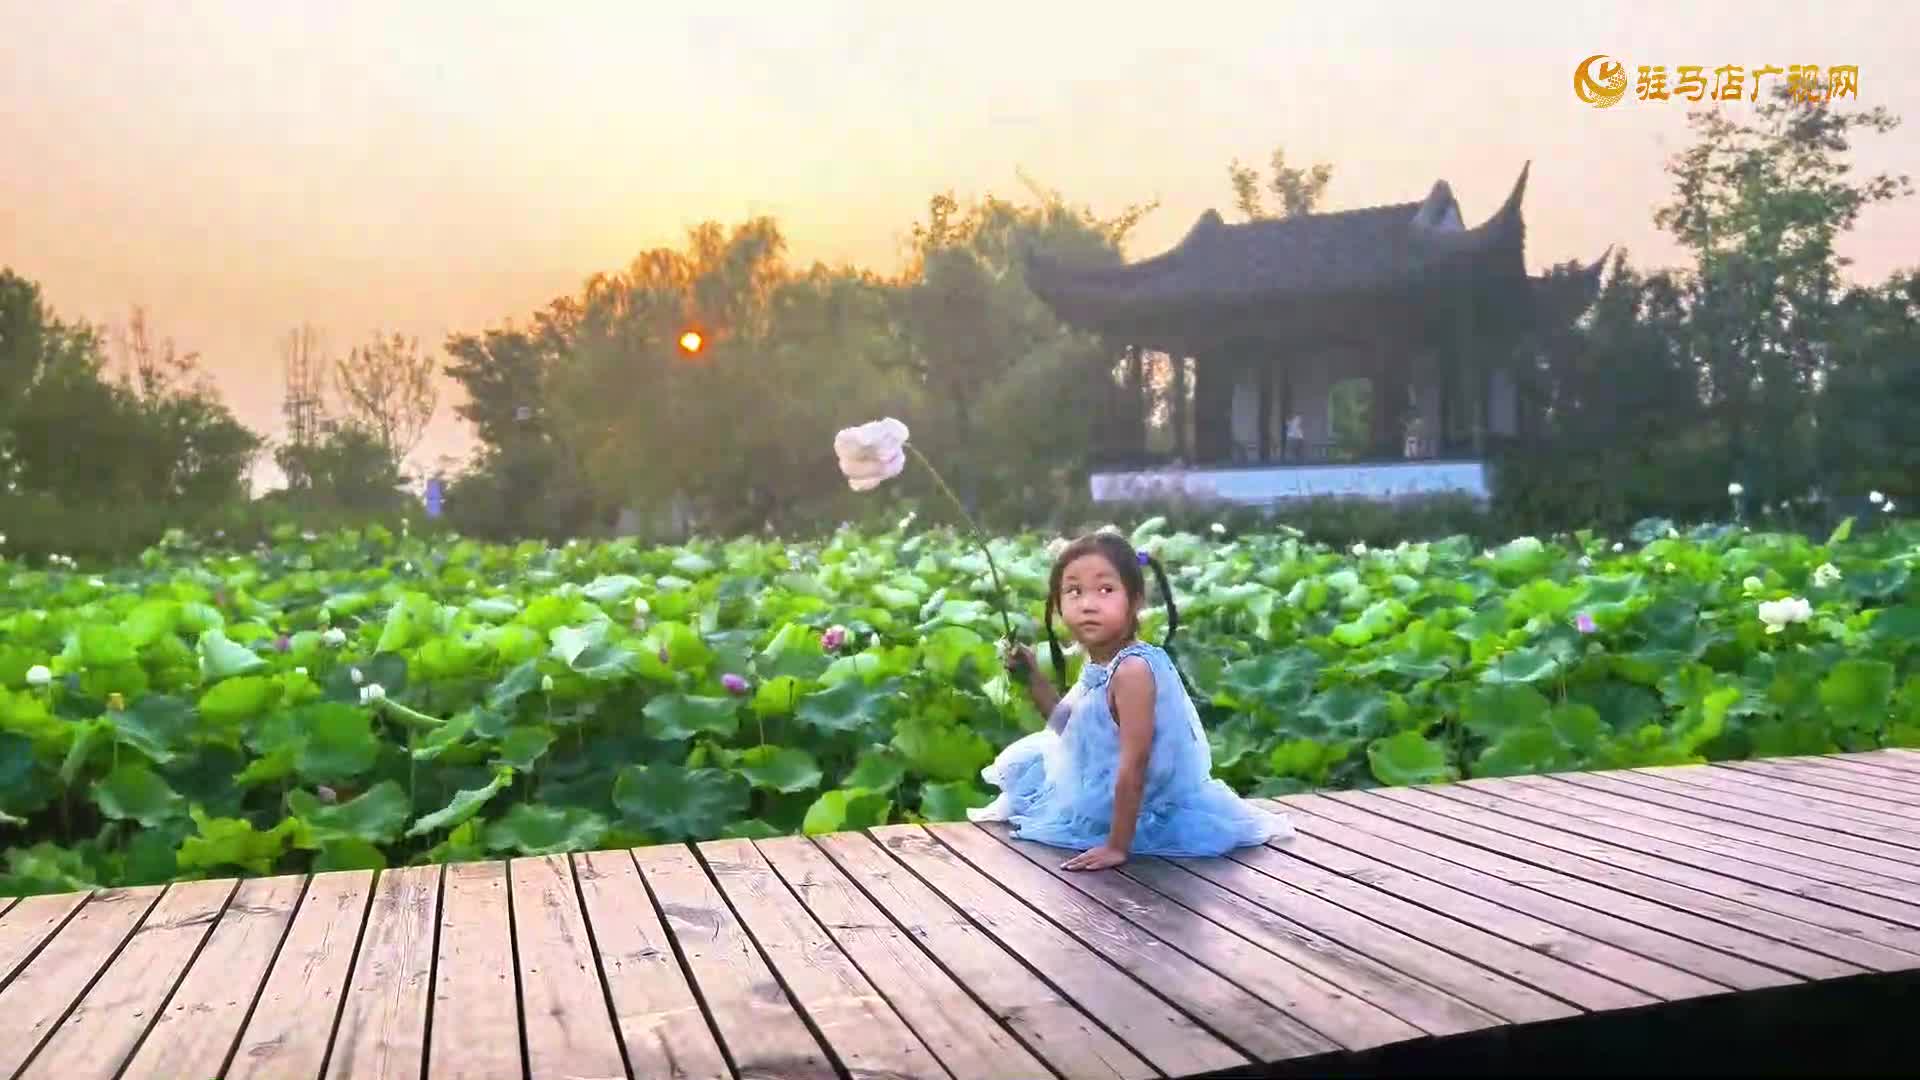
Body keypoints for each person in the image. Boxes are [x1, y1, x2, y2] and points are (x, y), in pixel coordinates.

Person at [970, 532, 1292, 870]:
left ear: (1135, 600)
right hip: (1106, 797)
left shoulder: (1133, 669)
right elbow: (1070, 728)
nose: (1088, 604)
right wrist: (1033, 677)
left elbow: (1135, 763)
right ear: (1057, 604)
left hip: (1144, 811)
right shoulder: (1100, 661)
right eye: (1074, 591)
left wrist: (1117, 846)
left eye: (1105, 590)